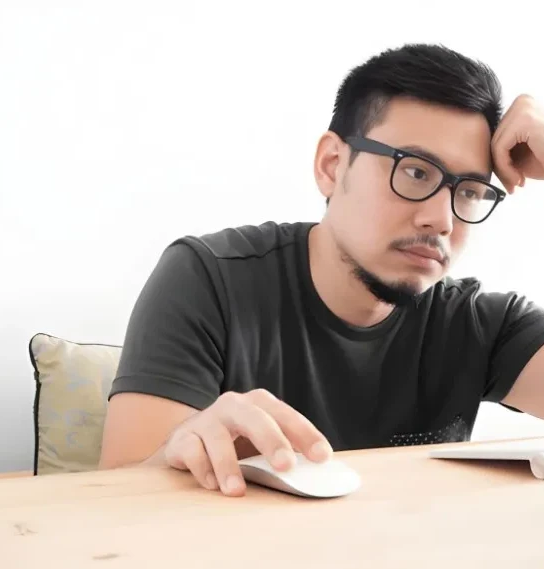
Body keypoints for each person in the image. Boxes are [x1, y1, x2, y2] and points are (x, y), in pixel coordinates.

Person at [99, 43, 544, 497]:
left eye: (468, 191)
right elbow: (113, 501)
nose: (442, 219)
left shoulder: (478, 323)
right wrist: (179, 451)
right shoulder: (208, 279)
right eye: (415, 173)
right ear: (332, 165)